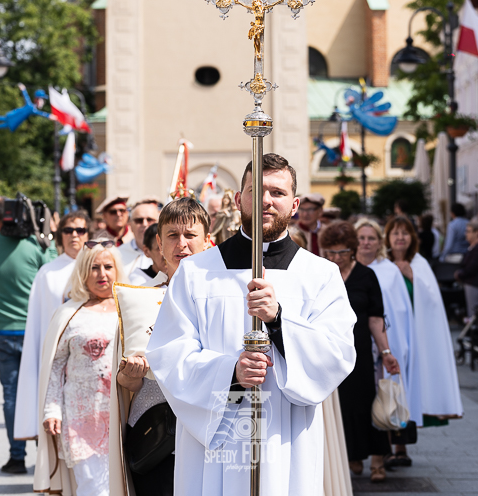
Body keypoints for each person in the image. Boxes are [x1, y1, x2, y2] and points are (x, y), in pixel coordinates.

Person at [146, 153, 357, 496]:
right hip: (214, 444)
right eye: (255, 190)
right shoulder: (196, 272)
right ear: (237, 198)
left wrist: (279, 320)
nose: (265, 200)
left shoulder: (320, 275)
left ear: (294, 204)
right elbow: (169, 353)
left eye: (277, 192)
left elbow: (337, 354)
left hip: (287, 440)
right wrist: (231, 371)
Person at [114, 197, 212, 495]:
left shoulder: (226, 301)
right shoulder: (139, 300)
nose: (181, 244)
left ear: (208, 241)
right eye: (172, 235)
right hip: (154, 431)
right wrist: (131, 374)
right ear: (159, 242)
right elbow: (123, 381)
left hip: (207, 431)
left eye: (190, 235)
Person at [34, 242, 126, 496]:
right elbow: (55, 366)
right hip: (80, 418)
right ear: (83, 272)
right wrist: (52, 409)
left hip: (122, 417)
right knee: (92, 489)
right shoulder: (68, 313)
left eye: (108, 267)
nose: (102, 274)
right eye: (94, 267)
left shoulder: (127, 310)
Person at [0, 196, 57, 474]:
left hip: (1, 329)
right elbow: (55, 270)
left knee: (10, 394)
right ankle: (44, 454)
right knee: (43, 392)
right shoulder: (35, 246)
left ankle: (15, 456)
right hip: (36, 330)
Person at [319, 220, 398, 483]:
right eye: (330, 252)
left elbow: (376, 318)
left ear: (352, 250)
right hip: (331, 353)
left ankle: (377, 460)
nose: (335, 258)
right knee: (342, 407)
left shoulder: (366, 276)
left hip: (361, 352)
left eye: (341, 252)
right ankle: (351, 456)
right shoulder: (321, 275)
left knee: (367, 404)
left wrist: (386, 351)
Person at [383, 216, 463, 461]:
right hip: (388, 337)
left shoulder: (419, 264)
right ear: (387, 238)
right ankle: (383, 448)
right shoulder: (380, 263)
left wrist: (411, 277)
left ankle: (401, 448)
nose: (400, 238)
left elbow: (432, 302)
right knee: (388, 388)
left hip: (415, 339)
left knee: (407, 390)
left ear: (412, 238)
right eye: (395, 233)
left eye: (405, 233)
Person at [14, 209, 91, 441]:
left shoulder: (100, 268)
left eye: (80, 230)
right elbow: (39, 323)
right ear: (60, 236)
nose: (74, 235)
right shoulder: (47, 273)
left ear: (88, 234)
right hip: (58, 356)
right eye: (68, 230)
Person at [354, 219, 421, 449]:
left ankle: (396, 445)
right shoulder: (347, 269)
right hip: (361, 342)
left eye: (371, 238)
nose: (365, 242)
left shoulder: (389, 270)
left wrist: (395, 343)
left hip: (388, 339)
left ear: (380, 242)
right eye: (361, 238)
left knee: (389, 391)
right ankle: (370, 448)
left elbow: (400, 308)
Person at [455, 219, 478, 320]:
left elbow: (472, 267)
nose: (465, 234)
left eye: (468, 231)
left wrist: (460, 274)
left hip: (476, 283)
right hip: (471, 282)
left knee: (475, 314)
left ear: (477, 232)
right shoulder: (473, 247)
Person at [118, 197, 160, 277]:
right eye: (139, 220)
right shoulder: (118, 254)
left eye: (150, 220)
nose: (144, 224)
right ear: (130, 224)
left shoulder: (167, 253)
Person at [127, 222, 169, 287]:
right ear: (146, 251)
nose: (167, 253)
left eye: (169, 246)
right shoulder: (138, 280)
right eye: (160, 248)